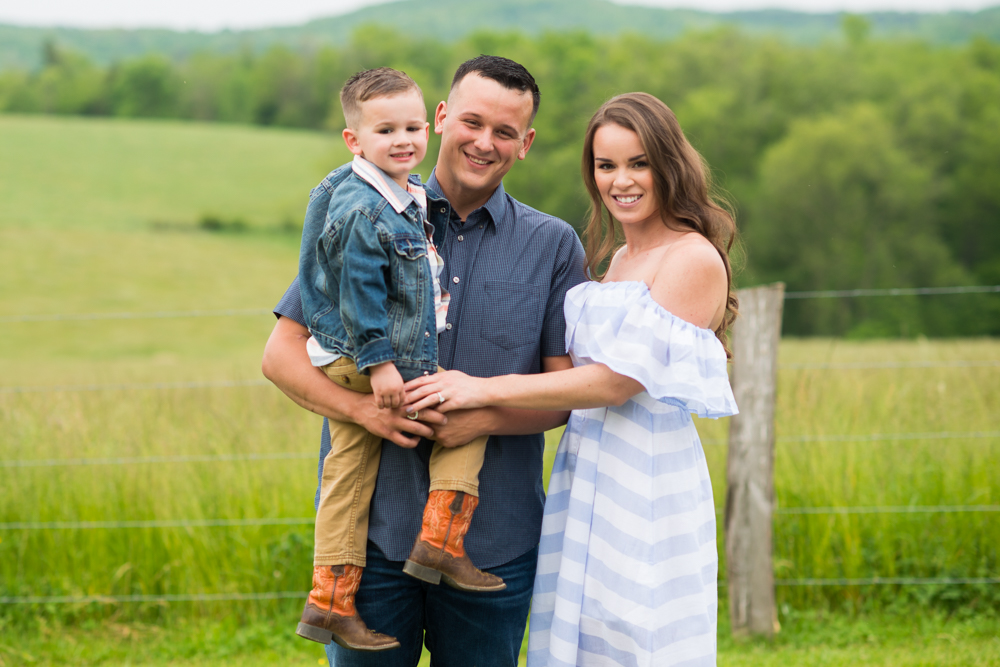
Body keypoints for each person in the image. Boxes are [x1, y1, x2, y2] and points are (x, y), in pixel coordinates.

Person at [262, 55, 587, 667]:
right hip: (374, 539)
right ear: (441, 118)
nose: (484, 142)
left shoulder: (552, 246)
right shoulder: (363, 210)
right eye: (471, 121)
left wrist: (483, 412)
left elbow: (563, 395)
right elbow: (280, 356)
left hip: (494, 540)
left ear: (527, 144)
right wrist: (365, 411)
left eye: (505, 132)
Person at [403, 92, 740, 666]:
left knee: (636, 629)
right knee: (583, 632)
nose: (621, 181)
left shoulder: (692, 257)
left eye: (639, 163)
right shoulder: (619, 260)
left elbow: (614, 384)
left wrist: (480, 388)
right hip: (589, 469)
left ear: (670, 165)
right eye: (606, 166)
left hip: (646, 476)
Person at [294, 67, 502, 652]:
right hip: (369, 359)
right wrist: (383, 364)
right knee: (465, 412)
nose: (405, 140)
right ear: (354, 139)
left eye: (413, 126)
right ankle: (440, 542)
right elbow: (359, 291)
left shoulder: (370, 188)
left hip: (341, 356)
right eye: (386, 130)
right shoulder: (366, 209)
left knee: (347, 474)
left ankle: (330, 599)